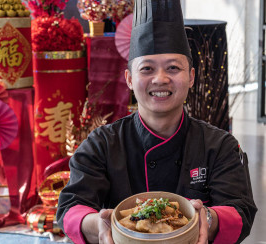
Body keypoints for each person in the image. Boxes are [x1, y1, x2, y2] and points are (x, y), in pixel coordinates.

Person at [57, 0, 257, 243]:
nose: (160, 79)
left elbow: (241, 212)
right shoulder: (101, 144)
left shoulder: (220, 145)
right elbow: (70, 208)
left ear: (191, 77)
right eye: (147, 69)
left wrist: (207, 218)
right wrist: (99, 224)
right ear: (129, 79)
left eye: (173, 68)